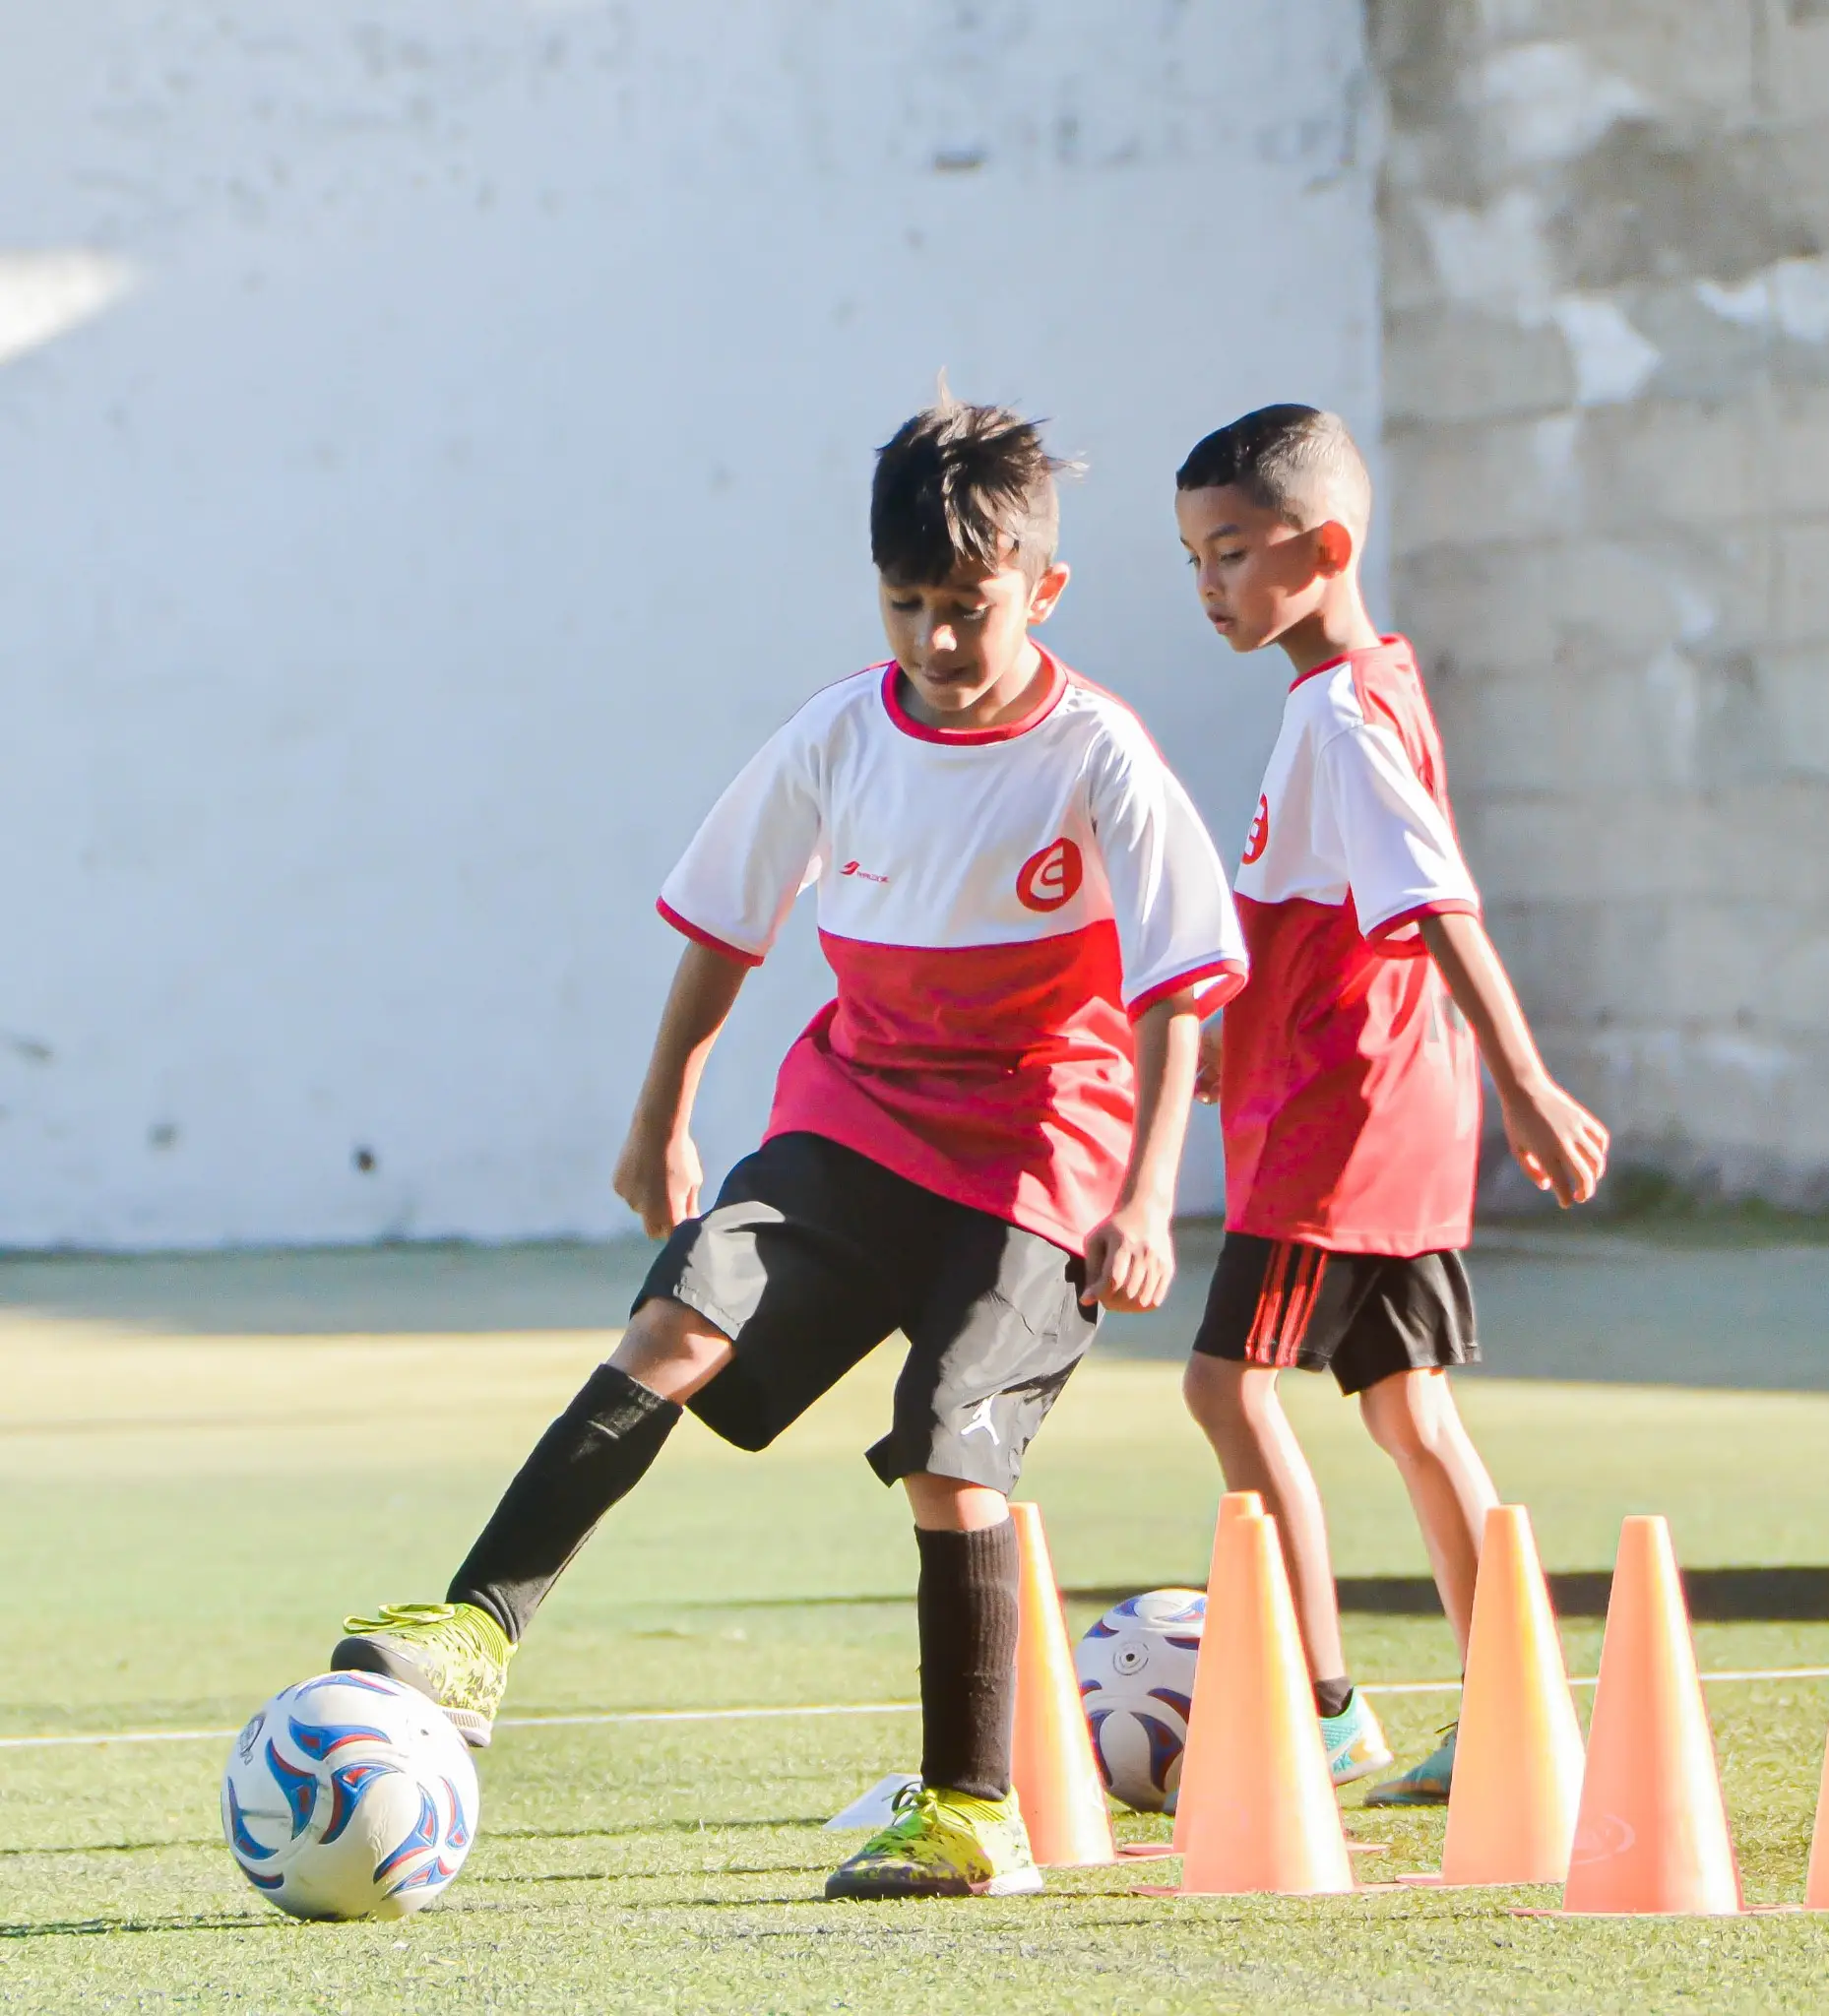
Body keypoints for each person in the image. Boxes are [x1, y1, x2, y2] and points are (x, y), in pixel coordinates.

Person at [332, 395, 1246, 1898]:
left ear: (1045, 593)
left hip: (1039, 1149)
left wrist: (1149, 1197)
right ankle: (478, 1630)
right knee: (678, 1319)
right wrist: (660, 1121)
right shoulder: (836, 735)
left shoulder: (1101, 758)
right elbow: (723, 932)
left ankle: (970, 1814)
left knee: (951, 1442)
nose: (939, 643)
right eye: (908, 607)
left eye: (970, 609)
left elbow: (1175, 997)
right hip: (861, 1110)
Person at [1172, 405, 1609, 1805]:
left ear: (1326, 546)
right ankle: (1514, 1713)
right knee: (1406, 1412)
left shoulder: (1348, 712)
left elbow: (1431, 904)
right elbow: (1319, 915)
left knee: (1224, 1384)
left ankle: (1324, 1705)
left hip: (1341, 1126)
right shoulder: (1355, 692)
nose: (1209, 587)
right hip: (1371, 1105)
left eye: (1232, 552)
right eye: (1195, 558)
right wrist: (1235, 1033)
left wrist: (1529, 1077)